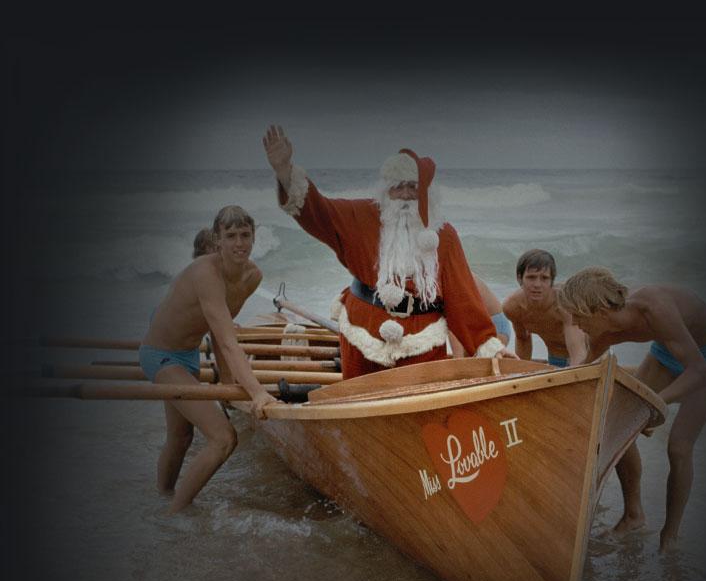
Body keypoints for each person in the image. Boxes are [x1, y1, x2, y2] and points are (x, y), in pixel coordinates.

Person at [262, 124, 515, 379]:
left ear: (425, 191)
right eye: (398, 186)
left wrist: (489, 346)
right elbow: (319, 212)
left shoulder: (443, 236)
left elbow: (462, 298)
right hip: (361, 337)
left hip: (421, 345)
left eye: (412, 187)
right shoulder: (362, 217)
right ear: (386, 189)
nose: (405, 195)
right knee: (358, 407)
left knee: (420, 410)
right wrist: (285, 172)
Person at [557, 267, 706, 551]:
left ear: (599, 310)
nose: (574, 323)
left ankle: (669, 538)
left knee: (679, 447)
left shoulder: (654, 306)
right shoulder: (606, 329)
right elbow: (584, 366)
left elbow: (699, 372)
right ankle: (633, 516)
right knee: (615, 428)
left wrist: (654, 405)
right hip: (665, 352)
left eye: (578, 316)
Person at [139, 205, 277, 513]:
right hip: (160, 356)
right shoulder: (206, 273)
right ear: (217, 240)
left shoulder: (252, 276)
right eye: (230, 236)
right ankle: (177, 511)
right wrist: (257, 391)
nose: (239, 243)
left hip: (187, 356)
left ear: (254, 237)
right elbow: (229, 343)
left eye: (245, 235)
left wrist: (229, 385)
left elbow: (219, 333)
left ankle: (161, 497)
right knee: (223, 437)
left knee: (181, 436)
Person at [502, 249, 587, 366]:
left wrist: (577, 374)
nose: (537, 284)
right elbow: (523, 339)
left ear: (552, 281)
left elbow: (578, 351)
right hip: (556, 358)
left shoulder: (564, 303)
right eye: (531, 277)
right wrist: (520, 372)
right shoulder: (513, 307)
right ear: (519, 278)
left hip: (589, 358)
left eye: (544, 278)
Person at [449, 275, 511, 357]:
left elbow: (455, 322)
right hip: (481, 324)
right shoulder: (453, 269)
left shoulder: (452, 275)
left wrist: (457, 359)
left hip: (493, 326)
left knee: (467, 364)